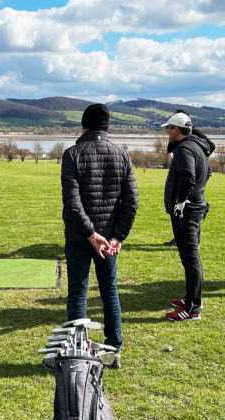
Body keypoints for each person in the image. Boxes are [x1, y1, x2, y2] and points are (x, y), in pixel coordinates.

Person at [61, 103, 138, 369]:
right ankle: (114, 349)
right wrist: (117, 237)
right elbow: (132, 202)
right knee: (109, 291)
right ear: (107, 126)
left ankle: (75, 352)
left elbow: (72, 203)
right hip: (107, 239)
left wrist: (92, 234)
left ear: (84, 125)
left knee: (78, 293)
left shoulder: (72, 153)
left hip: (79, 236)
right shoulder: (121, 154)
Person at [162, 112, 211, 321]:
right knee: (190, 258)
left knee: (191, 259)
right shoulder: (197, 145)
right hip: (194, 206)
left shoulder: (183, 149)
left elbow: (188, 176)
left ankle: (192, 309)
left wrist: (181, 201)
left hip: (187, 210)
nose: (167, 133)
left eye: (168, 129)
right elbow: (206, 174)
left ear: (176, 129)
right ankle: (192, 298)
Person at [163, 110, 215, 247]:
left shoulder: (191, 140)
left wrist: (196, 161)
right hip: (187, 173)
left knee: (190, 249)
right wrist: (170, 153)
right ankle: (183, 239)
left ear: (177, 128)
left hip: (193, 175)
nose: (168, 131)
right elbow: (171, 145)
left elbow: (211, 147)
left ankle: (192, 241)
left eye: (170, 127)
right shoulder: (180, 142)